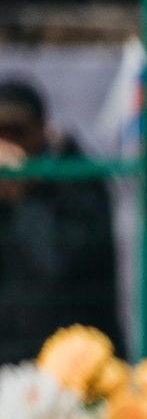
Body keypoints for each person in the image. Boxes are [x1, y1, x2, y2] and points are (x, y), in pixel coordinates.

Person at [0, 78, 122, 365]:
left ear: (43, 131)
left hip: (70, 369)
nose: (6, 144)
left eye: (17, 131)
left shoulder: (78, 180)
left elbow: (56, 263)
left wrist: (23, 192)